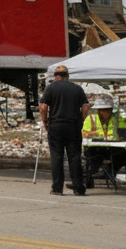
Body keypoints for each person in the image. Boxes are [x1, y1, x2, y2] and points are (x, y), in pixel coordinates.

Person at [39, 64, 89, 196]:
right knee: (74, 157)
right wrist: (81, 121)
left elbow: (43, 107)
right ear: (67, 76)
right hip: (72, 125)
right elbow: (85, 106)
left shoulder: (50, 88)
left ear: (56, 76)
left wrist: (45, 121)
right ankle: (78, 187)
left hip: (56, 125)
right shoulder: (77, 88)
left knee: (57, 157)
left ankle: (57, 188)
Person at [81, 94, 126, 188]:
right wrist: (100, 133)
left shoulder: (116, 118)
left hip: (112, 148)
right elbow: (84, 133)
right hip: (94, 148)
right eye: (103, 110)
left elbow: (124, 130)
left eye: (107, 109)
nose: (105, 112)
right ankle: (90, 174)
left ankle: (109, 171)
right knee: (94, 156)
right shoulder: (91, 118)